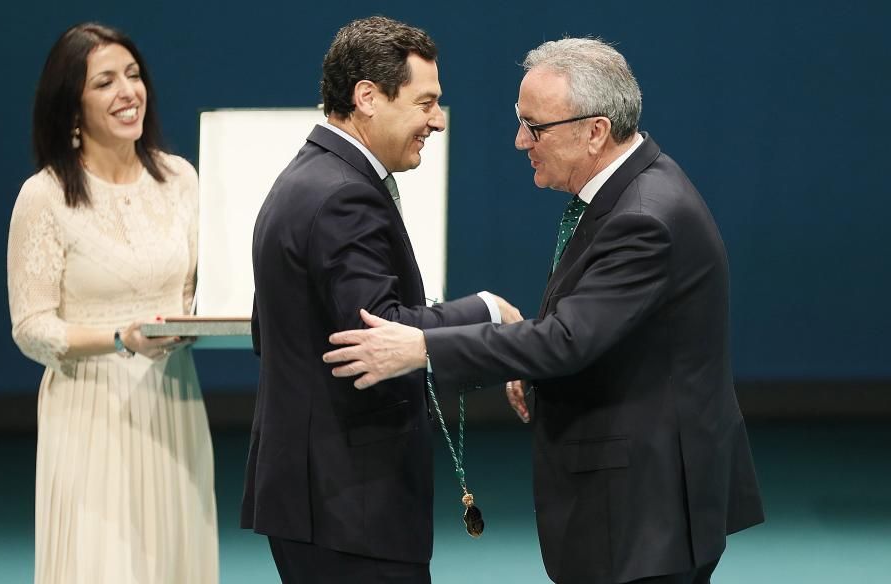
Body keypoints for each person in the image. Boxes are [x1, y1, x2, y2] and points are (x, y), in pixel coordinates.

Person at [323, 38, 765, 584]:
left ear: (595, 130)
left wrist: (422, 346)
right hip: (639, 500)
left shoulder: (645, 216)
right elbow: (600, 329)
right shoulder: (629, 192)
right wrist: (529, 363)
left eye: (534, 127)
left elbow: (569, 339)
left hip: (648, 511)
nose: (519, 141)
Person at [241, 15, 521, 584]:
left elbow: (266, 333)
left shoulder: (310, 178)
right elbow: (380, 332)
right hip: (349, 506)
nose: (437, 121)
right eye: (425, 103)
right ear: (367, 97)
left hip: (320, 501)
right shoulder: (344, 194)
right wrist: (490, 311)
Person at [6, 23, 217, 584]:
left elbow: (200, 293)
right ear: (72, 107)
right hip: (89, 413)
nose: (129, 92)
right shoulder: (45, 196)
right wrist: (121, 339)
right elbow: (30, 327)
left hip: (174, 402)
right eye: (105, 82)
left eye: (133, 75)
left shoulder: (181, 180)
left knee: (175, 561)